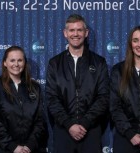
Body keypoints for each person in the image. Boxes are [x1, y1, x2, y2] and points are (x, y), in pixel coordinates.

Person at [45, 14, 109, 153]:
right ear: (65, 33)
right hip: (63, 131)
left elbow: (103, 97)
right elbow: (51, 99)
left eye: (79, 30)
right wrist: (69, 124)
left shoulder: (99, 62)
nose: (76, 34)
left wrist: (85, 123)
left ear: (86, 33)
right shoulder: (54, 63)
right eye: (72, 30)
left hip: (90, 130)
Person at [0, 46, 47, 153]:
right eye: (12, 60)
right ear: (5, 63)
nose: (16, 64)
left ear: (25, 63)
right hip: (4, 149)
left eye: (20, 60)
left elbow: (40, 121)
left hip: (30, 149)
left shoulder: (35, 88)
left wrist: (29, 146)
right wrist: (13, 146)